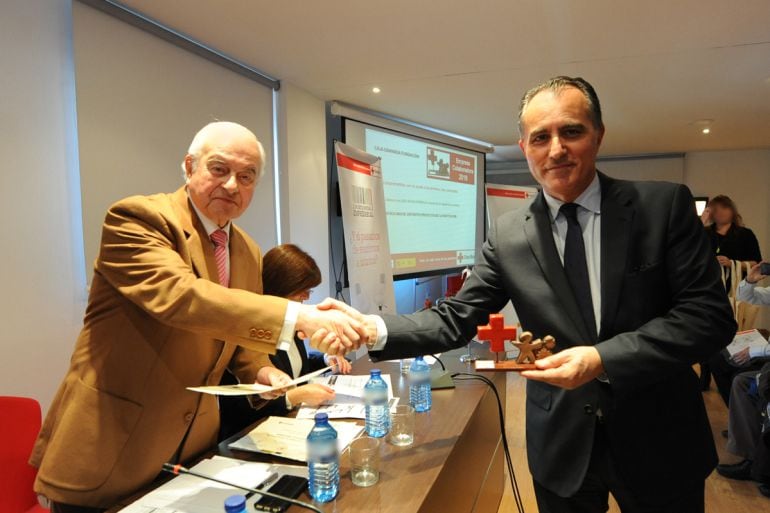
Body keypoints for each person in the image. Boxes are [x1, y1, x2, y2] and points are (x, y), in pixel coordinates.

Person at [319, 77, 736, 512]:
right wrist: (371, 328)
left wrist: (602, 359)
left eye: (571, 131)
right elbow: (456, 317)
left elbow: (707, 317)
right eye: (540, 137)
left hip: (659, 439)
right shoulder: (508, 234)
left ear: (598, 135)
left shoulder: (661, 206)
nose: (556, 149)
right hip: (562, 445)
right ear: (524, 147)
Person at [29, 122, 367, 513]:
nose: (231, 186)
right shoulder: (137, 219)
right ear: (189, 167)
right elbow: (182, 298)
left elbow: (236, 337)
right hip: (112, 447)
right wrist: (299, 316)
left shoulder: (247, 250)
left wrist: (261, 372)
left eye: (246, 176)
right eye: (219, 169)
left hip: (192, 453)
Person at [218, 244, 352, 440]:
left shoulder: (291, 323)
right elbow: (239, 409)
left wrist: (324, 359)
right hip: (250, 437)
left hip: (289, 424)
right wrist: (294, 397)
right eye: (302, 290)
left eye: (309, 291)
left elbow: (295, 368)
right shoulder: (251, 331)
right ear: (281, 286)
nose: (306, 297)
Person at [701, 195, 761, 275]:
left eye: (724, 208)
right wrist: (701, 222)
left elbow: (756, 263)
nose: (720, 212)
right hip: (708, 282)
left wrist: (732, 264)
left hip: (738, 284)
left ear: (732, 211)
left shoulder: (746, 234)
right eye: (715, 210)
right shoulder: (703, 233)